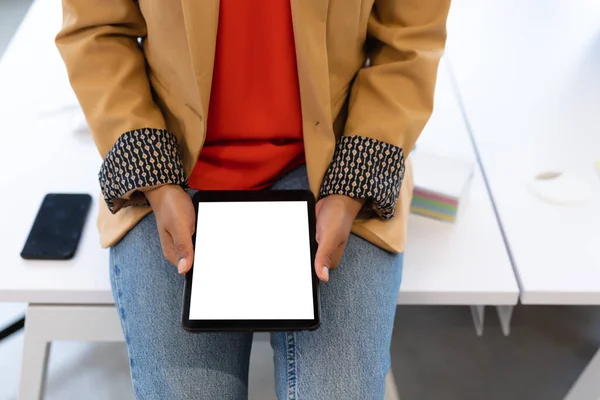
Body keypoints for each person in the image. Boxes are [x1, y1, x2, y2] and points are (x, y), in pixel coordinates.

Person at [56, 1, 450, 399]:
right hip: (169, 161)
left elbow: (409, 40)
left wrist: (352, 185)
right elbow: (96, 31)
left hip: (339, 158)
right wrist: (155, 179)